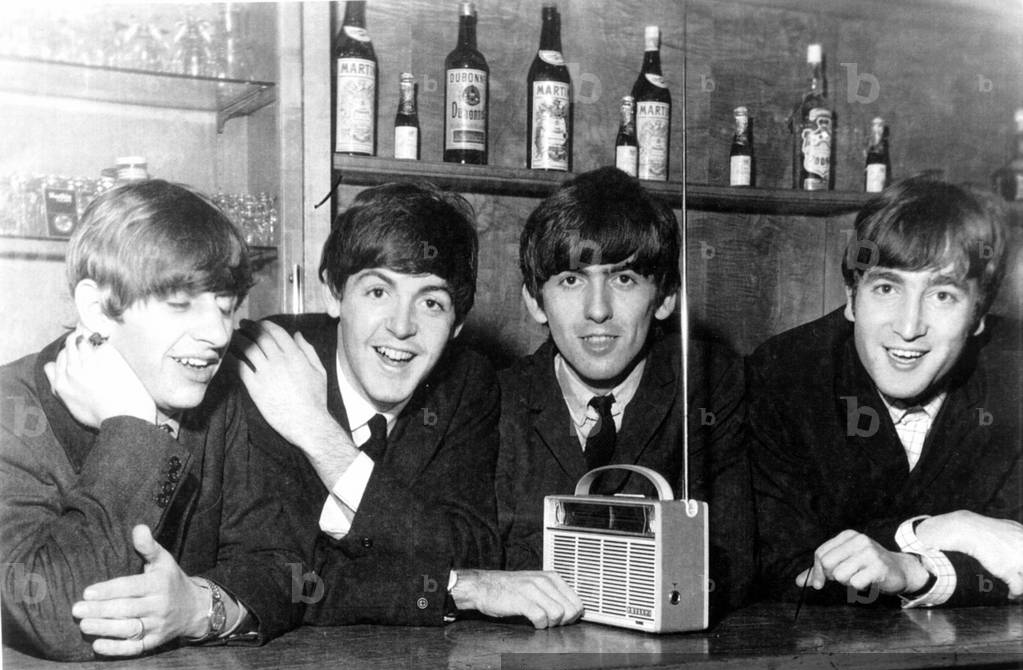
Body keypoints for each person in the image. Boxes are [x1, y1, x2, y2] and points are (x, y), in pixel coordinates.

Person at [236, 181, 582, 629]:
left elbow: (474, 549)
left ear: (457, 324)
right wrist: (459, 588)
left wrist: (323, 441)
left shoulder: (465, 382)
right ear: (333, 294)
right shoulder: (271, 362)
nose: (402, 327)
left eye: (432, 303)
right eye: (378, 292)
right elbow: (278, 578)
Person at [0, 180, 309, 661]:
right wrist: (132, 427)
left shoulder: (219, 399)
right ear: (98, 309)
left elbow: (287, 568)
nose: (216, 334)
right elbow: (57, 617)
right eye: (180, 303)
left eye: (226, 306)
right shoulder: (8, 412)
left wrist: (199, 608)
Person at [748, 176, 1023, 607]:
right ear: (852, 300)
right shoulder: (784, 376)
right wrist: (944, 532)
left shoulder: (1015, 374)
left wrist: (912, 567)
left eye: (943, 295)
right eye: (887, 288)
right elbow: (788, 575)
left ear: (978, 316)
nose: (909, 326)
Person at [497, 166, 756, 618]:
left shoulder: (711, 384)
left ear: (666, 298)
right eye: (571, 280)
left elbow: (731, 564)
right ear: (535, 302)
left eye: (624, 279)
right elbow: (484, 564)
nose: (598, 310)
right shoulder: (497, 399)